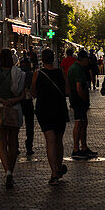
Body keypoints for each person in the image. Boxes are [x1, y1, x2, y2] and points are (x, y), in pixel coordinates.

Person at [0, 49, 26, 189]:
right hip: (14, 108)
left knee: (1, 142)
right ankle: (11, 169)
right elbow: (23, 95)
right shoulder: (18, 73)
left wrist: (2, 100)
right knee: (13, 141)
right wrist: (11, 100)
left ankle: (7, 171)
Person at [31, 48, 69, 184]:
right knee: (59, 140)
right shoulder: (61, 73)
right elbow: (68, 91)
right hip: (59, 109)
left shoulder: (37, 74)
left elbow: (33, 93)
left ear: (42, 59)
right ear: (54, 59)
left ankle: (54, 172)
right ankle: (58, 168)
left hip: (44, 110)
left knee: (50, 141)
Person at [68, 49, 96, 158]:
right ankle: (76, 149)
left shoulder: (74, 67)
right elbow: (79, 87)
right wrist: (84, 99)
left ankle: (84, 147)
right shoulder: (77, 69)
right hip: (78, 100)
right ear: (83, 59)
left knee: (83, 123)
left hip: (77, 99)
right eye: (87, 60)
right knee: (79, 123)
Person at [19, 52, 35, 157]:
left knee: (16, 125)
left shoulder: (17, 73)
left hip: (18, 102)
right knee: (29, 125)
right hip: (28, 101)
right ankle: (29, 146)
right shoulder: (31, 74)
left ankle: (15, 147)